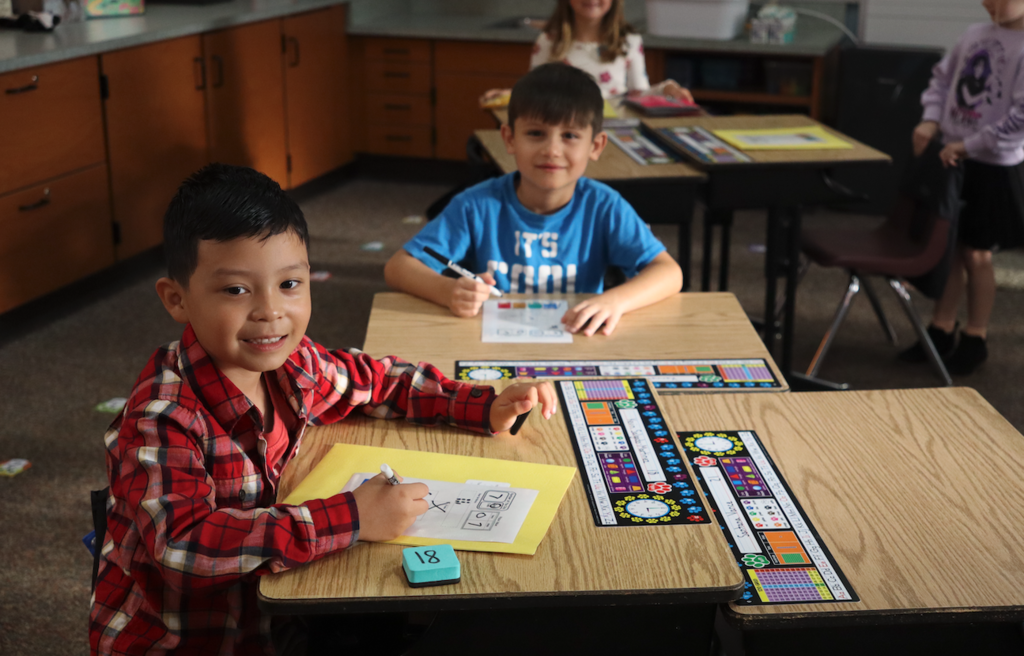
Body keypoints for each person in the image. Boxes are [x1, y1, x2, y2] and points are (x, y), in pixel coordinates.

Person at [88, 164, 556, 655]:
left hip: (277, 620)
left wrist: (479, 404)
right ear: (177, 299)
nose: (270, 311)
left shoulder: (293, 364)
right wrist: (350, 517)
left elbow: (374, 382)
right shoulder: (162, 417)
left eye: (289, 284)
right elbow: (183, 547)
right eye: (235, 290)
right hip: (188, 643)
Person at [385, 64, 683, 337]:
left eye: (569, 135)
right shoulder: (476, 205)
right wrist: (449, 290)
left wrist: (615, 300)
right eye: (536, 133)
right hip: (492, 344)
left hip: (576, 341)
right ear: (510, 138)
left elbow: (669, 272)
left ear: (595, 145)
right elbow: (398, 267)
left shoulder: (604, 206)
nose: (552, 150)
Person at [903, 0, 1024, 374]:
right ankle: (941, 328)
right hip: (953, 160)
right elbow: (941, 80)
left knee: (977, 253)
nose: (991, 3)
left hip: (992, 166)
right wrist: (930, 121)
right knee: (950, 246)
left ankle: (976, 336)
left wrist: (969, 145)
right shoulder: (974, 35)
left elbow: (1020, 117)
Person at [480, 0, 691, 105]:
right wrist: (510, 94)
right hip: (567, 132)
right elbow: (535, 90)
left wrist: (667, 88)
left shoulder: (629, 41)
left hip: (615, 131)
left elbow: (639, 94)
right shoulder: (549, 40)